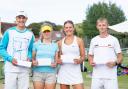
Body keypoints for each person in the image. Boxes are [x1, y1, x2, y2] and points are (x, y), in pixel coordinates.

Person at [0, 11, 35, 89]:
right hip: (10, 68)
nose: (21, 20)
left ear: (26, 19)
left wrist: (29, 57)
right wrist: (10, 59)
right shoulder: (9, 32)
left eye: (23, 18)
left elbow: (30, 50)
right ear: (16, 19)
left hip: (24, 69)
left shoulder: (30, 34)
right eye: (19, 17)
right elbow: (1, 48)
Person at [88, 18, 123, 89]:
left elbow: (120, 57)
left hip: (110, 76)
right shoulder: (94, 40)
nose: (102, 27)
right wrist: (91, 61)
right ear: (97, 26)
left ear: (107, 26)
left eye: (104, 25)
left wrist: (115, 63)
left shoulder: (114, 40)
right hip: (97, 76)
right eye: (100, 25)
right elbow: (90, 55)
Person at [57, 20, 85, 89]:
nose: (68, 29)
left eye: (70, 27)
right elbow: (57, 57)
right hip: (64, 72)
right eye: (66, 27)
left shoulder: (79, 40)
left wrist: (79, 60)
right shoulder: (60, 42)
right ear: (64, 29)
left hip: (76, 72)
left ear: (73, 28)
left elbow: (83, 56)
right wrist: (58, 60)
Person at [32, 24, 59, 89]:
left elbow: (56, 60)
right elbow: (32, 58)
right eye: (44, 31)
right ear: (41, 33)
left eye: (48, 31)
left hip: (51, 73)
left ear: (51, 32)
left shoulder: (55, 45)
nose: (46, 33)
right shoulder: (36, 44)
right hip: (38, 73)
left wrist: (55, 64)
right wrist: (33, 62)